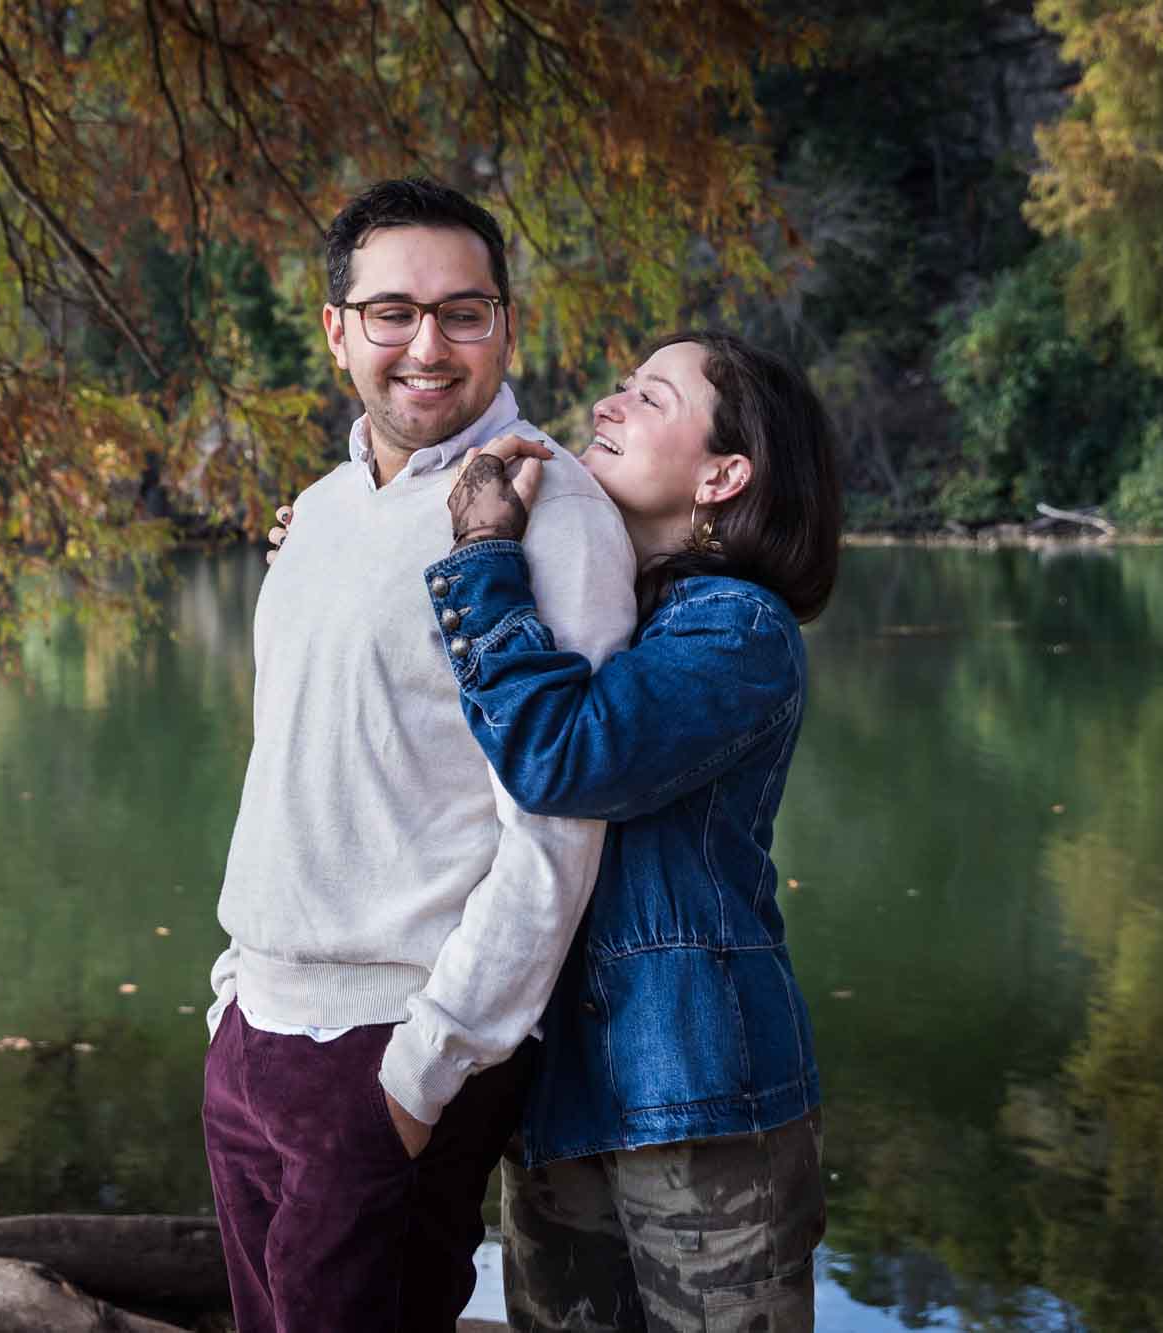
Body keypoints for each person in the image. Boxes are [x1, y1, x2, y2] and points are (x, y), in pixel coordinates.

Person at [200, 177, 638, 1333]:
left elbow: (554, 822)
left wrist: (423, 1070)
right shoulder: (318, 510)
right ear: (337, 329)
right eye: (391, 312)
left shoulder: (550, 513)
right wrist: (231, 994)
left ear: (505, 324)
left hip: (396, 1046)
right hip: (254, 1030)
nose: (427, 346)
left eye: (464, 311)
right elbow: (294, 763)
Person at [426, 330, 843, 1332]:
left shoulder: (735, 628)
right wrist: (315, 541)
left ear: (723, 473)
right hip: (555, 1091)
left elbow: (564, 757)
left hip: (699, 1091)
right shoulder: (590, 598)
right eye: (617, 387)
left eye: (648, 399)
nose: (607, 406)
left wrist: (482, 557)